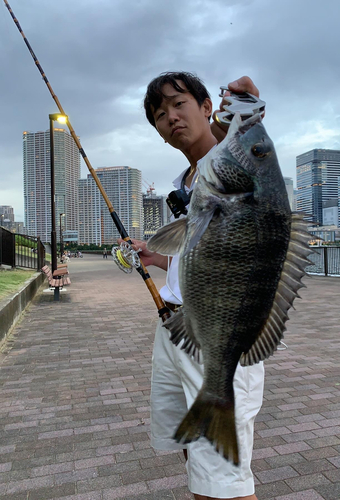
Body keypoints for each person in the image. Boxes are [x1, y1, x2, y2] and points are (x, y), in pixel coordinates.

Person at [122, 72, 264, 500]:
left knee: (223, 480)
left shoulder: (232, 161)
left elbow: (249, 128)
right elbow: (195, 258)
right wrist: (156, 257)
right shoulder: (185, 183)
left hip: (217, 333)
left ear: (207, 106)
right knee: (194, 456)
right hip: (176, 329)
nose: (171, 118)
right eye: (160, 115)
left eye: (179, 104)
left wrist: (246, 104)